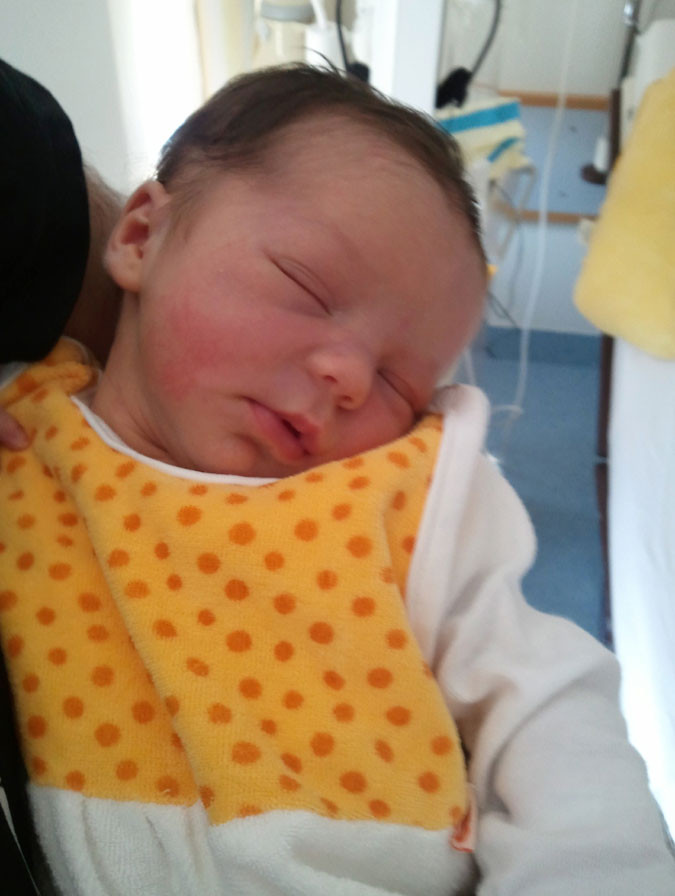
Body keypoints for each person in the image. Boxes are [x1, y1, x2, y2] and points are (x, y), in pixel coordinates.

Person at [0, 64, 673, 896]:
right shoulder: (27, 430)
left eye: (399, 382)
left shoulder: (399, 491)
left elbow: (545, 700)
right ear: (141, 237)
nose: (350, 378)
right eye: (308, 289)